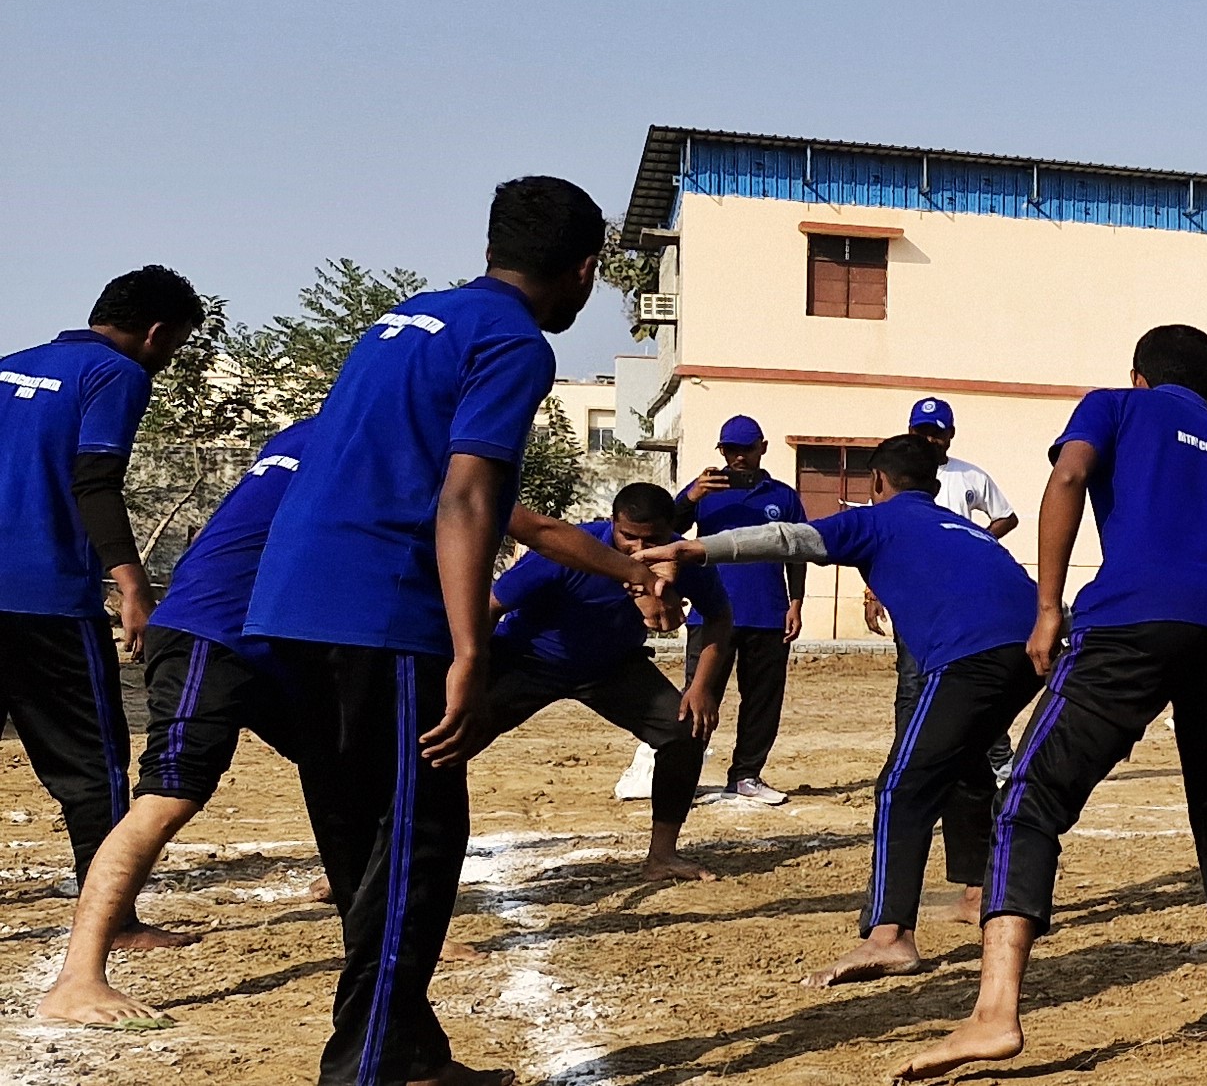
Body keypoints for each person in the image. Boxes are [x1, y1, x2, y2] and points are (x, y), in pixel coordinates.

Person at [38, 418, 674, 1029]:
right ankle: (78, 978)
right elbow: (533, 528)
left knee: (358, 779)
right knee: (169, 797)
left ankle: (380, 934)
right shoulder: (396, 445)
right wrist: (635, 572)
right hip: (217, 628)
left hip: (288, 638)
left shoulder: (314, 434)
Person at [897, 324, 1207, 1081]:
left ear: (1138, 376)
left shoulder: (1113, 406)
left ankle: (994, 1014)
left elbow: (1069, 477)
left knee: (1030, 798)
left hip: (1133, 622)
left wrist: (1047, 607)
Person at [242, 173, 604, 1086]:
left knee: (363, 844)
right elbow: (469, 495)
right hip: (384, 611)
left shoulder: (399, 323)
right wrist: (472, 649)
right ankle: (361, 1072)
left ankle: (409, 1055)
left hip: (291, 602)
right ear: (585, 269)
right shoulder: (512, 340)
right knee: (417, 846)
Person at [643, 433, 1043, 987]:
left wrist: (695, 550)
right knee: (966, 764)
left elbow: (789, 538)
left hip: (972, 654)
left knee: (902, 787)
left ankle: (890, 934)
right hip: (1035, 648)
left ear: (877, 481)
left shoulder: (879, 520)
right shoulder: (966, 528)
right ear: (934, 483)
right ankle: (977, 893)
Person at [0, 265, 202, 943]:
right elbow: (95, 481)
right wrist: (133, 585)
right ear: (157, 332)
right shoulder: (115, 373)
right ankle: (112, 919)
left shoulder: (8, 365)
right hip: (48, 600)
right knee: (94, 766)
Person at [479, 482, 731, 882]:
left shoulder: (682, 558)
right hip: (528, 659)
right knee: (444, 741)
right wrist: (471, 669)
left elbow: (719, 617)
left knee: (684, 730)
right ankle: (387, 847)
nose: (638, 548)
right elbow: (491, 606)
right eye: (628, 536)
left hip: (612, 666)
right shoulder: (569, 549)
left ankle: (662, 856)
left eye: (652, 539)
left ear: (671, 531)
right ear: (612, 522)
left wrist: (700, 687)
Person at [873, 396, 1020, 920]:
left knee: (964, 709)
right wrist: (875, 592)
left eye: (937, 432)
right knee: (912, 681)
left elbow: (1006, 517)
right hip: (920, 597)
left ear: (949, 437)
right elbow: (874, 541)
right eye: (922, 431)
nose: (930, 439)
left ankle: (988, 756)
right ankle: (916, 746)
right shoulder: (896, 491)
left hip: (965, 607)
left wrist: (975, 538)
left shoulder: (965, 477)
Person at [666, 414, 806, 806]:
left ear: (762, 448)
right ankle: (683, 774)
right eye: (730, 450)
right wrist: (690, 497)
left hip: (768, 613)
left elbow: (798, 552)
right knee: (698, 696)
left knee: (762, 700)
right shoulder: (703, 492)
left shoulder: (783, 497)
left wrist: (796, 603)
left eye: (746, 449)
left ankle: (746, 775)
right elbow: (666, 531)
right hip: (711, 613)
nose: (738, 457)